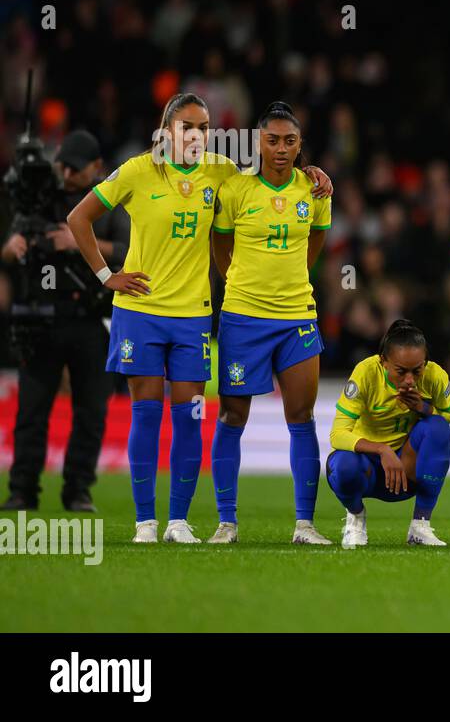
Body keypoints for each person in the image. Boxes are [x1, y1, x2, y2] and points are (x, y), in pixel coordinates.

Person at [65, 92, 332, 544]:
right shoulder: (136, 170)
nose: (196, 135)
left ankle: (178, 522)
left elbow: (269, 175)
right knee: (146, 415)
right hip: (140, 311)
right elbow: (78, 218)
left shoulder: (222, 173)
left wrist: (312, 170)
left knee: (189, 417)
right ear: (166, 128)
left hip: (193, 316)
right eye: (187, 126)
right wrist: (107, 276)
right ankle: (145, 523)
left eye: (203, 128)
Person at [207, 102, 332, 545]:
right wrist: (239, 283)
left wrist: (292, 280)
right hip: (243, 317)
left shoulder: (315, 190)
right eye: (272, 140)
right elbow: (220, 243)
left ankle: (305, 525)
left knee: (301, 415)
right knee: (232, 413)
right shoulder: (237, 189)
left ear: (300, 146)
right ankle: (227, 523)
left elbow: (316, 241)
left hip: (297, 316)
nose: (281, 149)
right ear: (258, 142)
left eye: (290, 141)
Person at [2, 130, 128, 512]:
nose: (67, 174)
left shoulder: (111, 204)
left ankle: (78, 490)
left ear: (97, 168)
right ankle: (23, 490)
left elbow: (130, 249)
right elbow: (11, 244)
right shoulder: (41, 197)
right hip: (42, 318)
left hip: (92, 319)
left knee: (91, 412)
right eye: (63, 166)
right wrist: (12, 248)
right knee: (31, 411)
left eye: (76, 168)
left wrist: (82, 242)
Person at [329, 320, 450, 548]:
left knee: (437, 427)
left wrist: (423, 408)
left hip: (406, 472)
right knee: (342, 465)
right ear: (383, 362)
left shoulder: (435, 376)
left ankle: (420, 525)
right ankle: (356, 518)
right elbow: (337, 434)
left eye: (417, 370)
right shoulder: (366, 373)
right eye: (401, 371)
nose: (409, 379)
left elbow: (449, 415)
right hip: (367, 469)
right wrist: (382, 449)